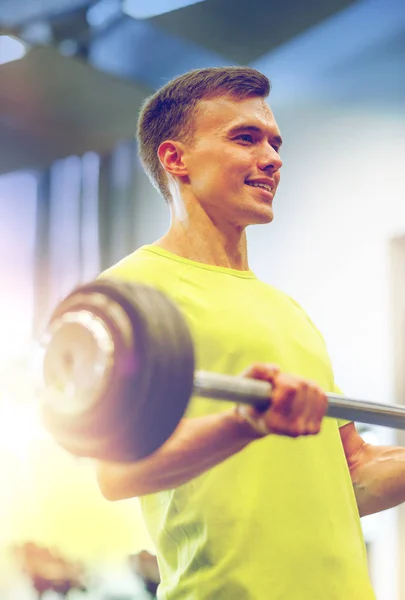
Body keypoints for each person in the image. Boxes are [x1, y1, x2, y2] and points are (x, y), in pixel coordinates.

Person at [96, 67, 405, 599]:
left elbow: (351, 474)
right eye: (246, 137)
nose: (273, 158)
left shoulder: (287, 310)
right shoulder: (128, 293)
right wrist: (243, 422)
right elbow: (117, 473)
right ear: (176, 159)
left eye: (275, 142)